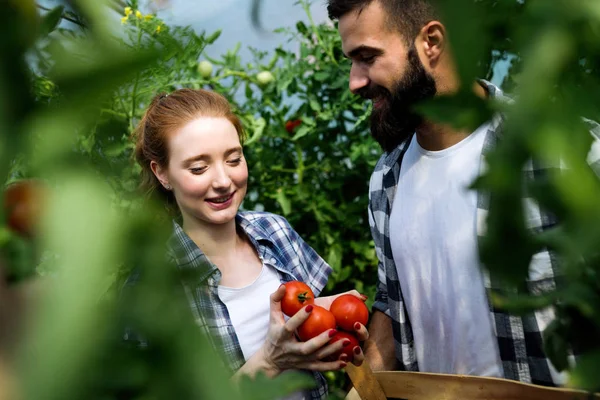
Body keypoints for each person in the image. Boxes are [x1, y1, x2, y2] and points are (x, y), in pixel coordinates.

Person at [326, 0, 600, 387]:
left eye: (367, 57)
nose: (355, 80)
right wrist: (364, 388)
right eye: (351, 61)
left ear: (431, 42)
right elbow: (392, 303)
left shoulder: (566, 151)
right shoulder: (386, 181)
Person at [128, 88, 369, 400]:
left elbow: (293, 320)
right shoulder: (151, 286)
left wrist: (340, 318)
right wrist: (269, 361)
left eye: (233, 159)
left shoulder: (274, 231)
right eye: (199, 168)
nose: (223, 180)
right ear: (162, 173)